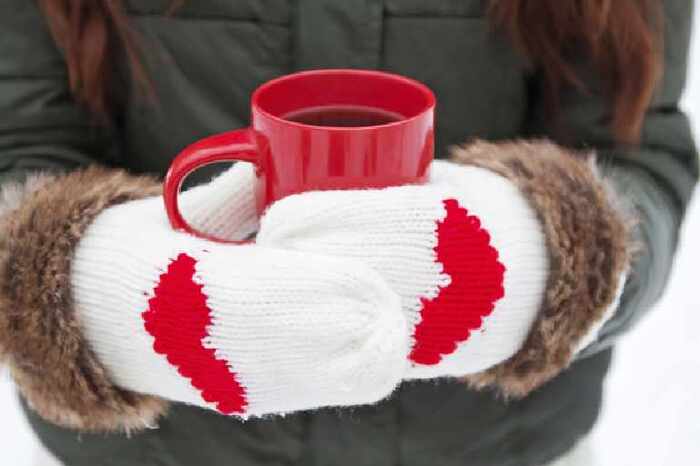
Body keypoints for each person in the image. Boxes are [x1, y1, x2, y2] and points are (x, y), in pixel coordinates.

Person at [0, 1, 697, 465]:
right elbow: (21, 138)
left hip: (498, 447)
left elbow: (636, 152)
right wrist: (77, 281)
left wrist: (553, 258)